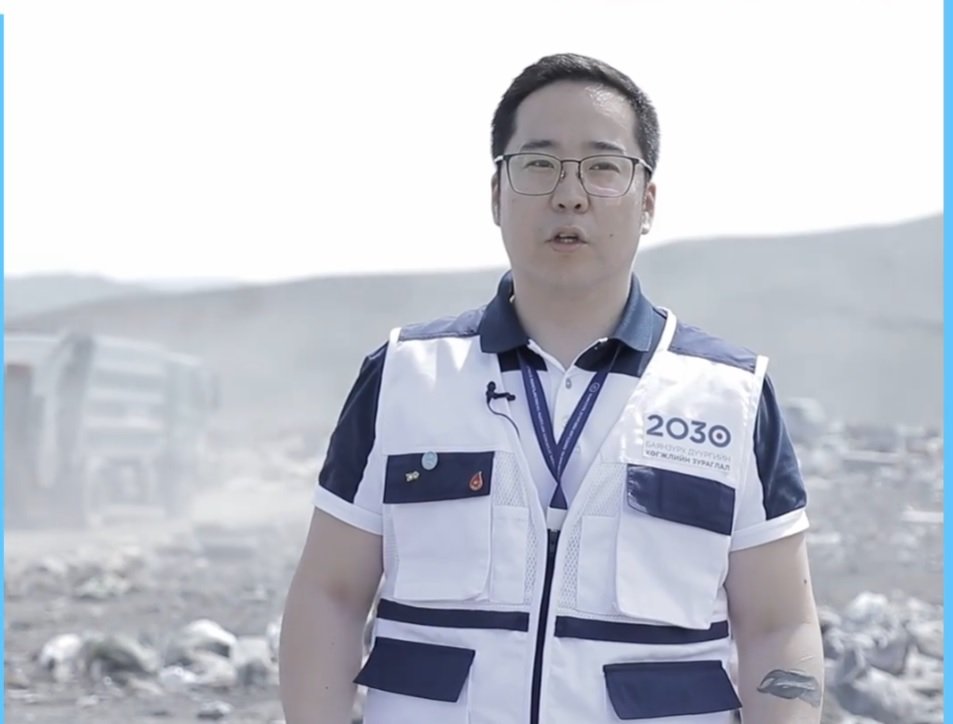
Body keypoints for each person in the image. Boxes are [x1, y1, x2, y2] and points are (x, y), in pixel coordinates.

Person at [279, 52, 824, 724]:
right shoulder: (404, 377)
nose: (570, 195)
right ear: (496, 194)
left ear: (647, 201)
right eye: (539, 164)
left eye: (602, 167)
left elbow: (777, 625)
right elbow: (329, 595)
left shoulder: (730, 397)